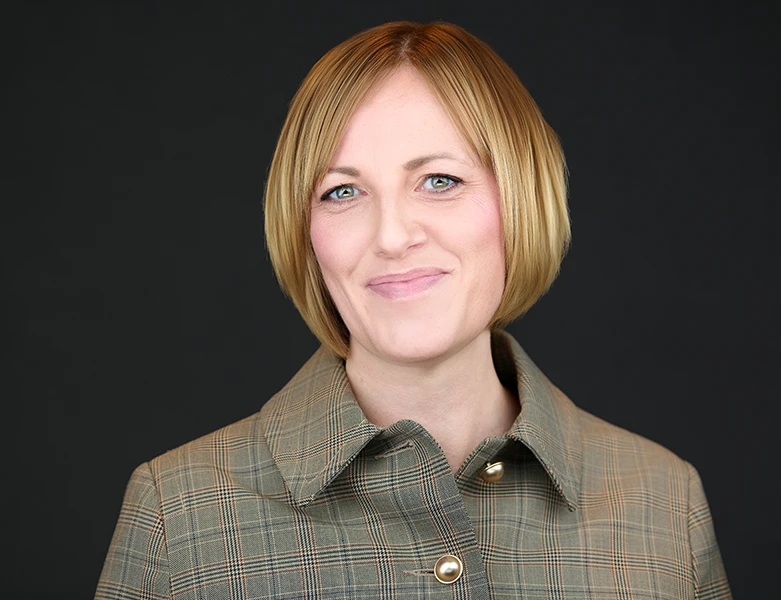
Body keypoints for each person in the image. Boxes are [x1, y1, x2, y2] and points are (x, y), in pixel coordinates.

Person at [96, 21, 731, 599]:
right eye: (343, 191)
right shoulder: (176, 515)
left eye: (440, 181)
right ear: (305, 230)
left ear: (521, 199)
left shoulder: (664, 505)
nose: (392, 236)